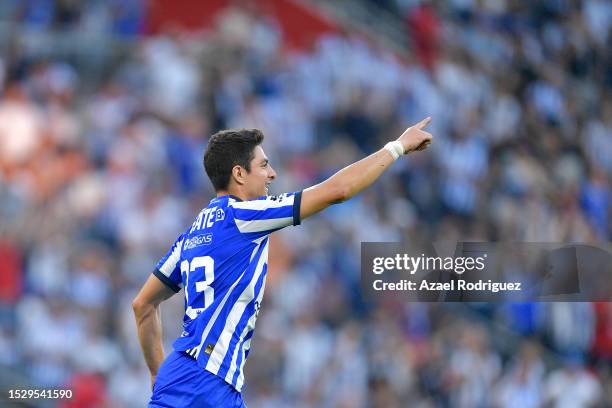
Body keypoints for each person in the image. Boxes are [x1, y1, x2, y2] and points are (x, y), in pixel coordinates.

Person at [132, 117, 433, 407]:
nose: (272, 174)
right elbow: (337, 191)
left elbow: (143, 305)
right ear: (239, 174)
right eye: (263, 165)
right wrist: (397, 147)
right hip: (207, 382)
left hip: (190, 378)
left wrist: (160, 375)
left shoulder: (192, 233)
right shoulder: (244, 216)